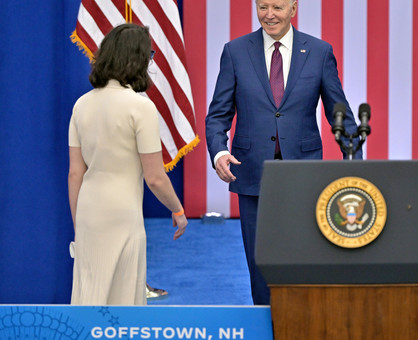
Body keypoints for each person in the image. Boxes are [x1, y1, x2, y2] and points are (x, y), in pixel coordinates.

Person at [205, 0, 361, 305]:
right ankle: (266, 323)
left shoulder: (319, 51)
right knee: (258, 258)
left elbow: (338, 111)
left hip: (304, 174)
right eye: (262, 7)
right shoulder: (235, 51)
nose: (269, 14)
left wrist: (353, 156)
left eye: (277, 6)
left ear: (293, 8)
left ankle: (301, 320)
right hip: (251, 172)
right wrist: (219, 152)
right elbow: (218, 114)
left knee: (303, 255)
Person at [68, 23, 188, 305]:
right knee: (124, 302)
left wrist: (79, 223)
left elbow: (75, 174)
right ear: (137, 60)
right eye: (150, 54)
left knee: (88, 296)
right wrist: (178, 209)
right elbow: (155, 177)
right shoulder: (141, 107)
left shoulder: (81, 105)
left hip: (87, 211)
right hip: (123, 212)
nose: (151, 60)